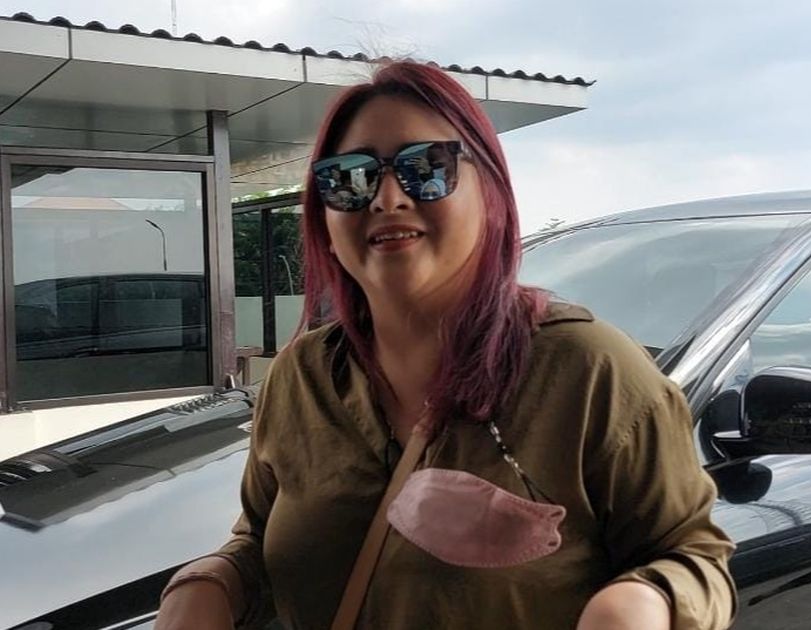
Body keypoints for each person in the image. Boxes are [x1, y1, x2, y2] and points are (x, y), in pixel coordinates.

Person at [155, 61, 737, 630]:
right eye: (349, 178)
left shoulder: (591, 374)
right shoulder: (300, 378)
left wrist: (644, 601)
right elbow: (261, 537)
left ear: (491, 194)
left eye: (427, 167)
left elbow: (692, 556)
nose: (387, 198)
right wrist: (214, 582)